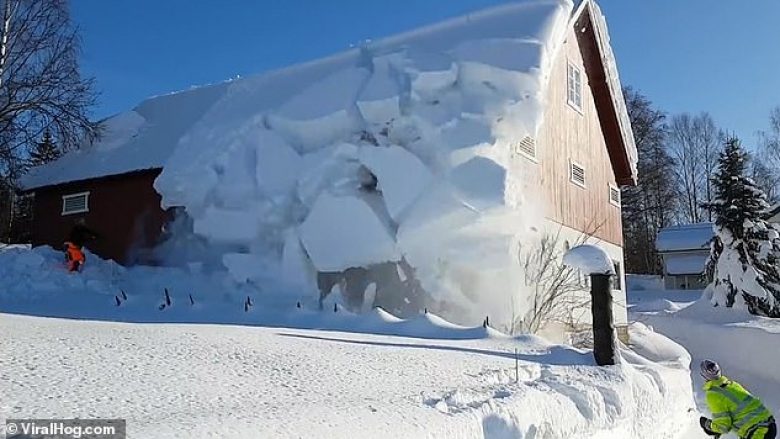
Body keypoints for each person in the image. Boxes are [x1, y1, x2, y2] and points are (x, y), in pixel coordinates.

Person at [699, 359, 776, 439]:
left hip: (758, 431)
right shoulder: (732, 385)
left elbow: (724, 426)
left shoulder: (713, 394)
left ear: (704, 376)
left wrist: (708, 425)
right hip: (768, 424)